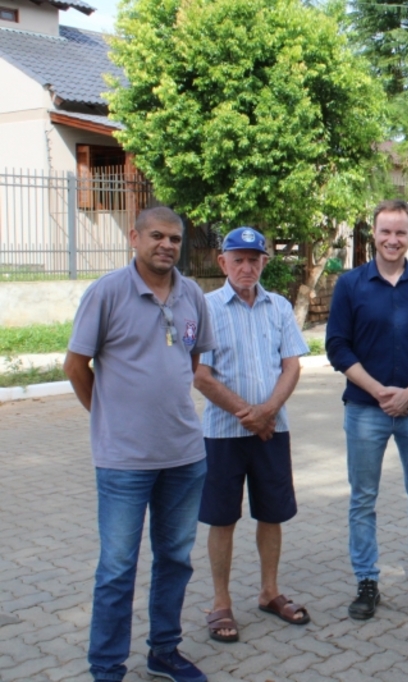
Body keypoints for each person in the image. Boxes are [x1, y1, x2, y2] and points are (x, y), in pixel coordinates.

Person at [63, 207, 214, 682]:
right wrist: (110, 419)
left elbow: (192, 362)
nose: (166, 245)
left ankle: (163, 651)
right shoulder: (107, 292)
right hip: (124, 462)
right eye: (156, 236)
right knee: (116, 569)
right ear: (134, 237)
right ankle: (107, 667)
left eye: (174, 238)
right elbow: (75, 366)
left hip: (185, 457)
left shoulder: (192, 295)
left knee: (174, 559)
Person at [325, 199, 408, 620]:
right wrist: (381, 391)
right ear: (374, 233)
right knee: (363, 499)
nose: (392, 240)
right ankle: (367, 582)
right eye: (385, 231)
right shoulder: (351, 285)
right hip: (365, 409)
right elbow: (337, 346)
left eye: (401, 232)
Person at [193, 227, 310, 643]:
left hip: (272, 431)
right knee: (222, 517)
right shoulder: (204, 308)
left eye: (254, 259)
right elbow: (200, 374)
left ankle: (269, 591)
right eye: (237, 259)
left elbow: (292, 366)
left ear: (264, 263)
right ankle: (221, 602)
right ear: (222, 262)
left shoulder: (278, 307)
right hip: (224, 435)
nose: (246, 267)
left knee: (272, 512)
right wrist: (249, 414)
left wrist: (268, 412)